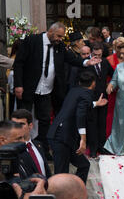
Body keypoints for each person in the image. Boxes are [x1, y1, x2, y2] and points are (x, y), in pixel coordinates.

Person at [13, 22, 101, 159]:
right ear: (51, 32)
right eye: (59, 36)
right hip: (29, 87)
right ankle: (20, 147)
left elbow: (71, 59)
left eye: (61, 37)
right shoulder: (32, 40)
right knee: (23, 117)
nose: (60, 39)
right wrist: (18, 85)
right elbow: (18, 63)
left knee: (45, 120)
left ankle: (43, 149)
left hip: (47, 90)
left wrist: (86, 62)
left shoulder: (59, 46)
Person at [48, 71, 108, 183]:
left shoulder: (74, 90)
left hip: (67, 138)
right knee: (61, 174)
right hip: (60, 137)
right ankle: (61, 198)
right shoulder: (87, 94)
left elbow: (79, 104)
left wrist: (95, 103)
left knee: (84, 165)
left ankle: (77, 190)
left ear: (80, 82)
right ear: (93, 83)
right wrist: (83, 140)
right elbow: (80, 115)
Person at [81, 42, 114, 157]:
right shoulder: (86, 64)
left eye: (100, 54)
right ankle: (93, 148)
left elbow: (113, 74)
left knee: (102, 123)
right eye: (95, 54)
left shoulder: (105, 62)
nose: (97, 57)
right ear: (92, 52)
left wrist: (110, 84)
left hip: (103, 97)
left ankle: (102, 146)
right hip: (91, 98)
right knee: (92, 123)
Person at [11, 109, 51, 178]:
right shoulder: (11, 151)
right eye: (14, 124)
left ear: (30, 126)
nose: (17, 128)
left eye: (21, 124)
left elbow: (46, 170)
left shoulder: (38, 145)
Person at [105, 37, 124, 139]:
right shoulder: (109, 60)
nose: (120, 50)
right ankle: (110, 138)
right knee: (111, 115)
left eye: (123, 47)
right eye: (118, 47)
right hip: (113, 92)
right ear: (114, 47)